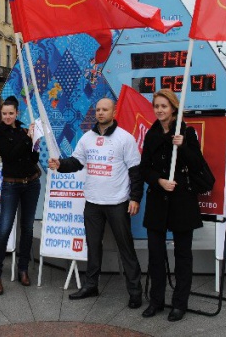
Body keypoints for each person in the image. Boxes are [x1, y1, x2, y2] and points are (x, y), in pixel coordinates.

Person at [48, 98, 144, 309]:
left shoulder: (125, 139)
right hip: (92, 202)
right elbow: (76, 162)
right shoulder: (87, 138)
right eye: (98, 110)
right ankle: (91, 285)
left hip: (118, 202)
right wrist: (60, 164)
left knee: (126, 248)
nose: (101, 113)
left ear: (114, 111)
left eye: (105, 109)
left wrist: (135, 198)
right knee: (93, 246)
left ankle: (136, 291)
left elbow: (136, 172)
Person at [139, 89, 203, 322]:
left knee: (182, 254)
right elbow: (144, 167)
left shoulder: (186, 132)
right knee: (156, 254)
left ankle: (179, 303)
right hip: (158, 199)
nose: (159, 110)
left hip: (181, 201)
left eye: (164, 106)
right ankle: (156, 301)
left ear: (173, 108)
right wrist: (158, 181)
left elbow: (197, 165)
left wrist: (184, 145)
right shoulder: (151, 134)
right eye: (156, 106)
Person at [0, 97, 41, 295]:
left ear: (17, 113)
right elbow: (9, 154)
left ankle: (23, 269)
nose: (8, 117)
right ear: (1, 115)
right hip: (11, 185)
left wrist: (35, 140)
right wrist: (27, 138)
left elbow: (33, 156)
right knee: (4, 228)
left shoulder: (23, 130)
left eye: (11, 113)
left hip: (31, 183)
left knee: (27, 228)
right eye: (4, 114)